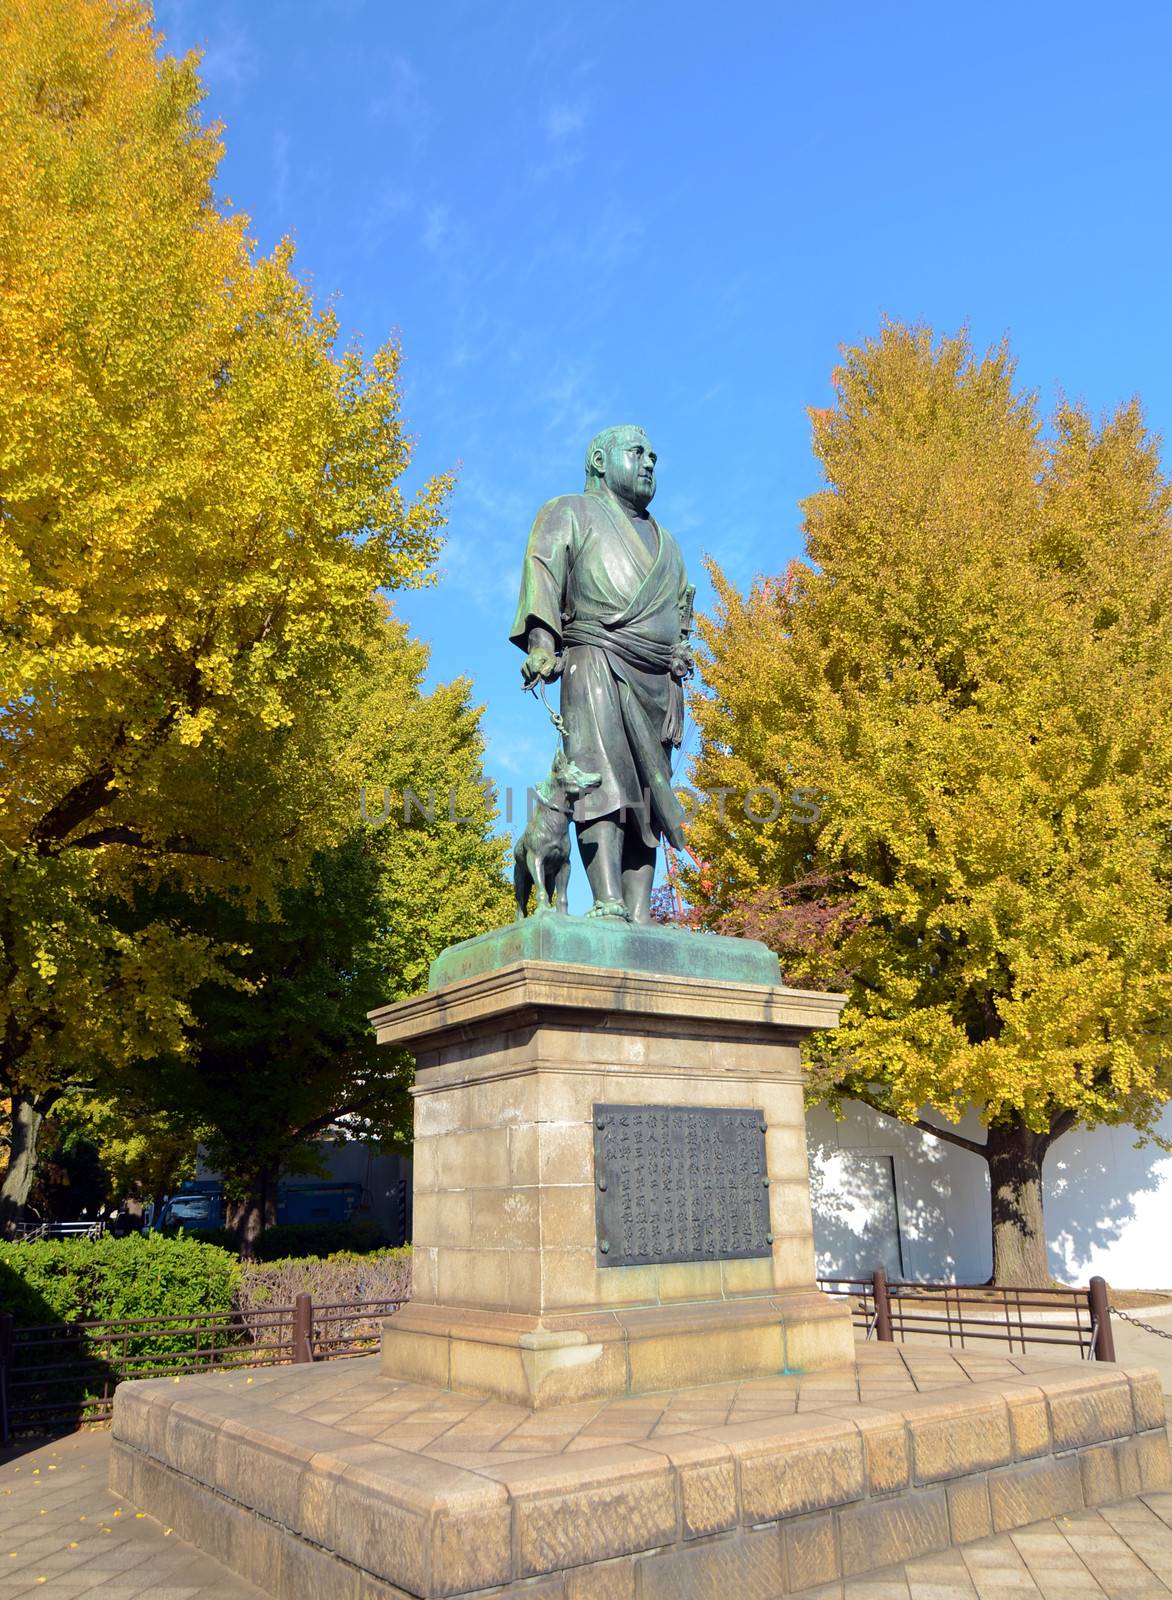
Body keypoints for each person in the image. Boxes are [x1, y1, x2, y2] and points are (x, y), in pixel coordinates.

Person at [509, 424, 694, 923]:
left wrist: (680, 651)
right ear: (598, 459)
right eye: (637, 452)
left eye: (654, 455)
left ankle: (640, 913)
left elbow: (681, 609)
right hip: (594, 660)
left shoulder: (668, 542)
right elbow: (545, 572)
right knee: (600, 779)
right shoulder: (568, 511)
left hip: (657, 681)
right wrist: (543, 643)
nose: (650, 462)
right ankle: (607, 899)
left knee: (646, 799)